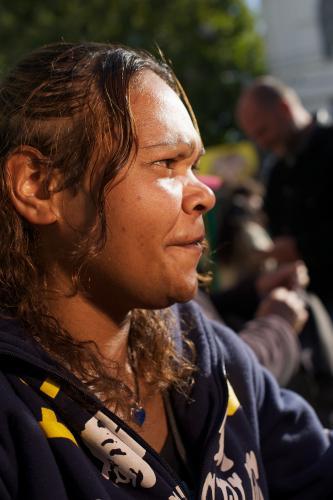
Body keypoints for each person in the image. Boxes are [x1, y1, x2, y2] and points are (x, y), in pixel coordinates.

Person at [0, 42, 333, 500]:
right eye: (166, 163)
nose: (205, 195)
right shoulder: (13, 423)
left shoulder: (209, 351)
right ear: (39, 186)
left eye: (193, 165)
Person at [236, 76, 333, 315]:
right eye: (255, 137)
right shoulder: (277, 172)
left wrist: (302, 248)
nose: (262, 143)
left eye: (263, 131)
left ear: (285, 109)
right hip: (309, 305)